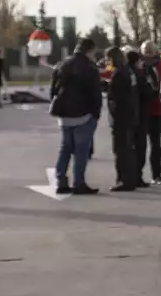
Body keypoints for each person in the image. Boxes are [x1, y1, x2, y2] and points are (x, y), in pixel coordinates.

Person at [48, 38, 102, 195]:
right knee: (81, 151)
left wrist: (58, 106)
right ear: (90, 50)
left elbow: (53, 90)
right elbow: (95, 94)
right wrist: (95, 113)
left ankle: (61, 181)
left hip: (64, 115)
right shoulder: (90, 67)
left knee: (65, 149)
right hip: (83, 115)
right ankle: (79, 183)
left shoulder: (61, 64)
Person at [107, 48, 142, 191]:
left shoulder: (119, 74)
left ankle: (124, 180)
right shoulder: (128, 71)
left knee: (121, 150)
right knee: (128, 149)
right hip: (131, 115)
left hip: (121, 117)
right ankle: (131, 178)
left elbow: (116, 97)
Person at [136, 43, 161, 185]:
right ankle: (137, 175)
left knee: (156, 145)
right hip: (143, 110)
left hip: (156, 110)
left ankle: (157, 174)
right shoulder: (139, 67)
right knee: (140, 145)